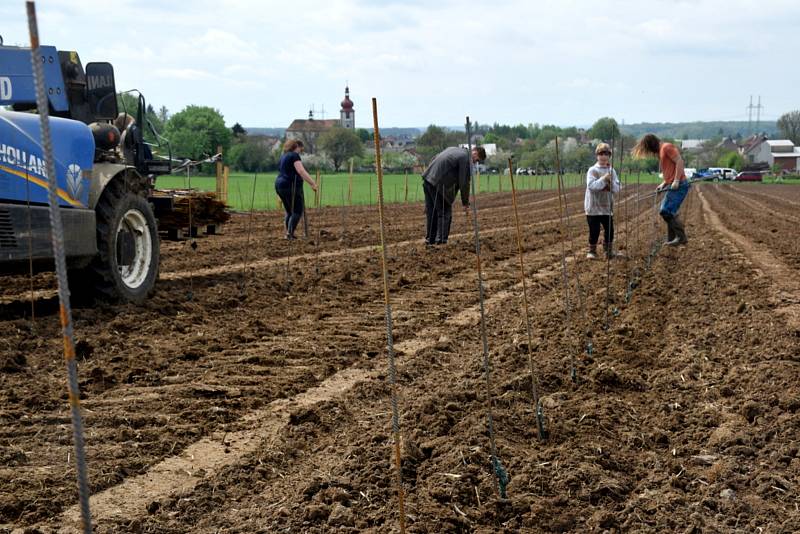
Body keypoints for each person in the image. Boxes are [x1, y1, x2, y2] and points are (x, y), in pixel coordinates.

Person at [421, 146, 486, 245]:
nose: (474, 162)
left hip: (427, 179)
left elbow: (434, 158)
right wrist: (465, 203)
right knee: (445, 212)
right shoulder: (466, 158)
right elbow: (463, 182)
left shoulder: (453, 149)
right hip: (438, 183)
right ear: (475, 153)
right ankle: (441, 242)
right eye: (476, 160)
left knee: (432, 212)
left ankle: (430, 240)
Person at [632, 134, 690, 245]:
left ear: (651, 145)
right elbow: (670, 170)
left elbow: (679, 161)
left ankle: (681, 237)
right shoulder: (661, 152)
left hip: (680, 185)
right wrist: (663, 184)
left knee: (666, 211)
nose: (650, 152)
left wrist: (677, 180)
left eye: (648, 149)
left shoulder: (666, 147)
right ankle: (671, 238)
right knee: (668, 211)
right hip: (673, 184)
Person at [275, 140, 318, 240]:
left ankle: (288, 233)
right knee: (297, 210)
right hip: (290, 185)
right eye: (301, 148)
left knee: (289, 211)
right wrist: (312, 183)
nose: (301, 151)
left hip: (279, 184)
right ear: (297, 146)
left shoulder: (283, 156)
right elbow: (301, 171)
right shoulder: (294, 156)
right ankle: (289, 234)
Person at [584, 142, 621, 259]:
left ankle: (608, 251)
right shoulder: (592, 170)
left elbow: (617, 187)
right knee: (594, 230)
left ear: (609, 155)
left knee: (610, 230)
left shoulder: (612, 171)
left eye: (606, 153)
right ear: (597, 155)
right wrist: (604, 179)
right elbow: (592, 186)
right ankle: (592, 251)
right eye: (601, 153)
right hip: (593, 207)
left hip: (606, 206)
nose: (604, 156)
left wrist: (611, 185)